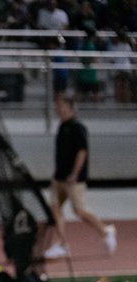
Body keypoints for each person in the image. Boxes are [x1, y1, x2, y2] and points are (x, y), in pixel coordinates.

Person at [42, 93, 116, 260]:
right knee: (54, 208)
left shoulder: (77, 128)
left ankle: (106, 231)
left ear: (69, 107)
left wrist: (74, 174)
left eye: (60, 106)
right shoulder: (62, 126)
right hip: (58, 177)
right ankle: (60, 244)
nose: (57, 109)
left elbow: (82, 152)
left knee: (79, 211)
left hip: (73, 179)